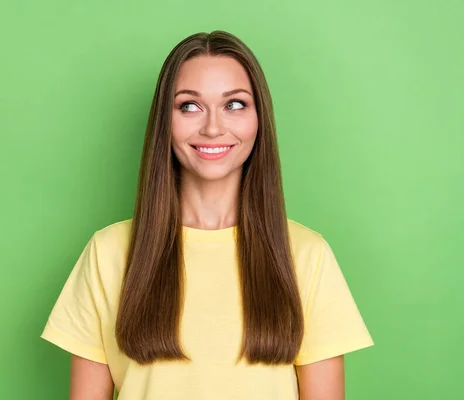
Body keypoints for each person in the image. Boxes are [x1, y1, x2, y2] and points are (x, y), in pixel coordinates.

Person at [40, 30, 374, 400]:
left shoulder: (307, 255)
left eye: (234, 105)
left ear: (259, 119)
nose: (213, 127)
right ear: (164, 122)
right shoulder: (108, 253)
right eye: (189, 106)